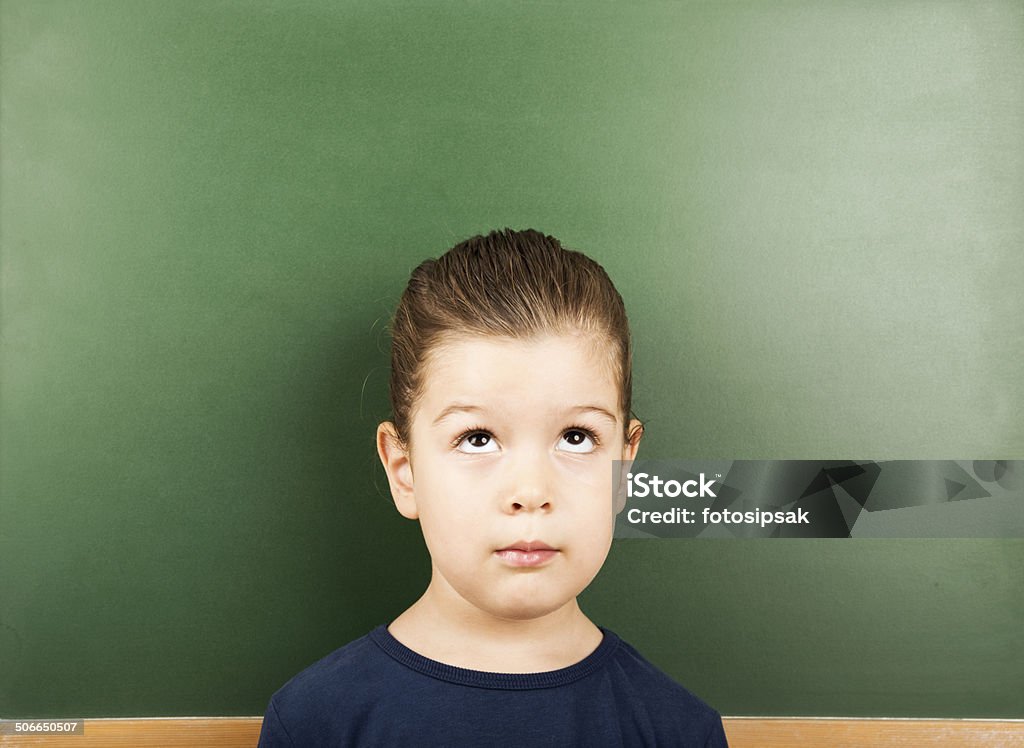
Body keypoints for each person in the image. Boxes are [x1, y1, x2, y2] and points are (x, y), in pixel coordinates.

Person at [257, 228, 728, 747]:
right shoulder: (313, 723)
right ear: (403, 468)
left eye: (577, 437)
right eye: (477, 439)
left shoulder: (681, 731)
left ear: (625, 466)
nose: (530, 491)